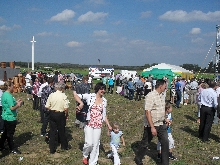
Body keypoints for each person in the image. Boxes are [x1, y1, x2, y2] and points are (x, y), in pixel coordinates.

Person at [73, 82, 112, 165]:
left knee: (95, 144)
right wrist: (81, 103)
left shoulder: (104, 101)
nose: (103, 90)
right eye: (101, 88)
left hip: (98, 125)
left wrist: (108, 125)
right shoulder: (90, 96)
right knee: (89, 143)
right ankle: (85, 155)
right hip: (89, 123)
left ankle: (93, 162)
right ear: (97, 89)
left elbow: (104, 114)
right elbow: (75, 94)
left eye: (104, 89)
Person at [134, 79, 169, 165]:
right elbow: (147, 112)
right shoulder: (150, 96)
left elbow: (161, 109)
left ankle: (165, 163)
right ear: (160, 86)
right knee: (145, 143)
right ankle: (138, 158)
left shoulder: (162, 95)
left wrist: (165, 119)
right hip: (151, 124)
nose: (166, 88)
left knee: (165, 142)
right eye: (165, 86)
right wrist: (152, 127)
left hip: (161, 124)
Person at [45, 81, 70, 154]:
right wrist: (66, 115)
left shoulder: (51, 95)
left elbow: (47, 106)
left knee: (52, 131)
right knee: (62, 130)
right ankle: (64, 146)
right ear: (62, 88)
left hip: (52, 113)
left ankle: (52, 149)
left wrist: (53, 109)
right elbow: (66, 108)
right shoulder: (63, 96)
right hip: (60, 114)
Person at [0, 81, 23, 154]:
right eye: (12, 85)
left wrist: (16, 101)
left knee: (6, 132)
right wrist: (18, 105)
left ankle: (1, 145)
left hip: (5, 115)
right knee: (10, 134)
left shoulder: (4, 94)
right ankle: (12, 148)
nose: (13, 87)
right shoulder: (9, 96)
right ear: (9, 86)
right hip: (10, 117)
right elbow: (12, 108)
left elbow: (8, 104)